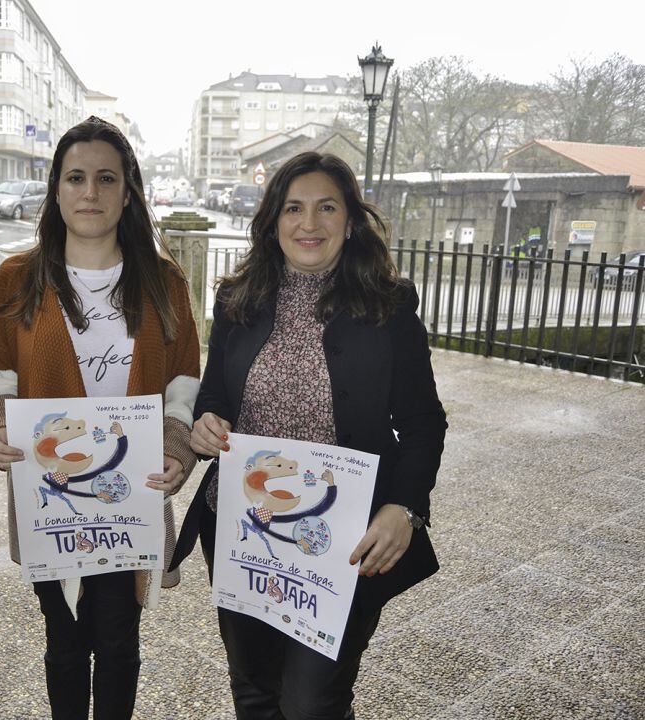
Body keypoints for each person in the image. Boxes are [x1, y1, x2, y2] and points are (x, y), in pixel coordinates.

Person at [174, 151, 447, 720]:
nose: (309, 223)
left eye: (327, 207)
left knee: (311, 702)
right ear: (273, 222)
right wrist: (207, 423)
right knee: (253, 691)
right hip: (246, 529)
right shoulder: (236, 301)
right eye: (293, 208)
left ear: (350, 221)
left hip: (339, 540)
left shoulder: (388, 309)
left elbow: (423, 421)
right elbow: (217, 393)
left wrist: (405, 507)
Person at [0, 116, 201, 720]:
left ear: (127, 191)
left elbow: (184, 378)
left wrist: (177, 448)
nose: (91, 192)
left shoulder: (163, 281)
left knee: (119, 636)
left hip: (131, 493)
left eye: (107, 178)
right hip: (51, 492)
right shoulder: (17, 278)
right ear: (55, 189)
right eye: (76, 177)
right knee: (64, 637)